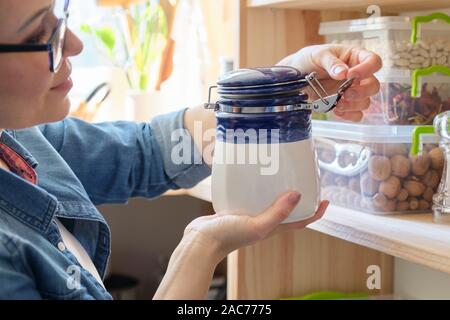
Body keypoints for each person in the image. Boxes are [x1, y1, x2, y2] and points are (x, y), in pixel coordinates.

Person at [0, 0, 382, 300]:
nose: (75, 44)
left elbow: (149, 150)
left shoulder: (21, 139)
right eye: (41, 34)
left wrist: (271, 89)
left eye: (59, 14)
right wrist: (202, 247)